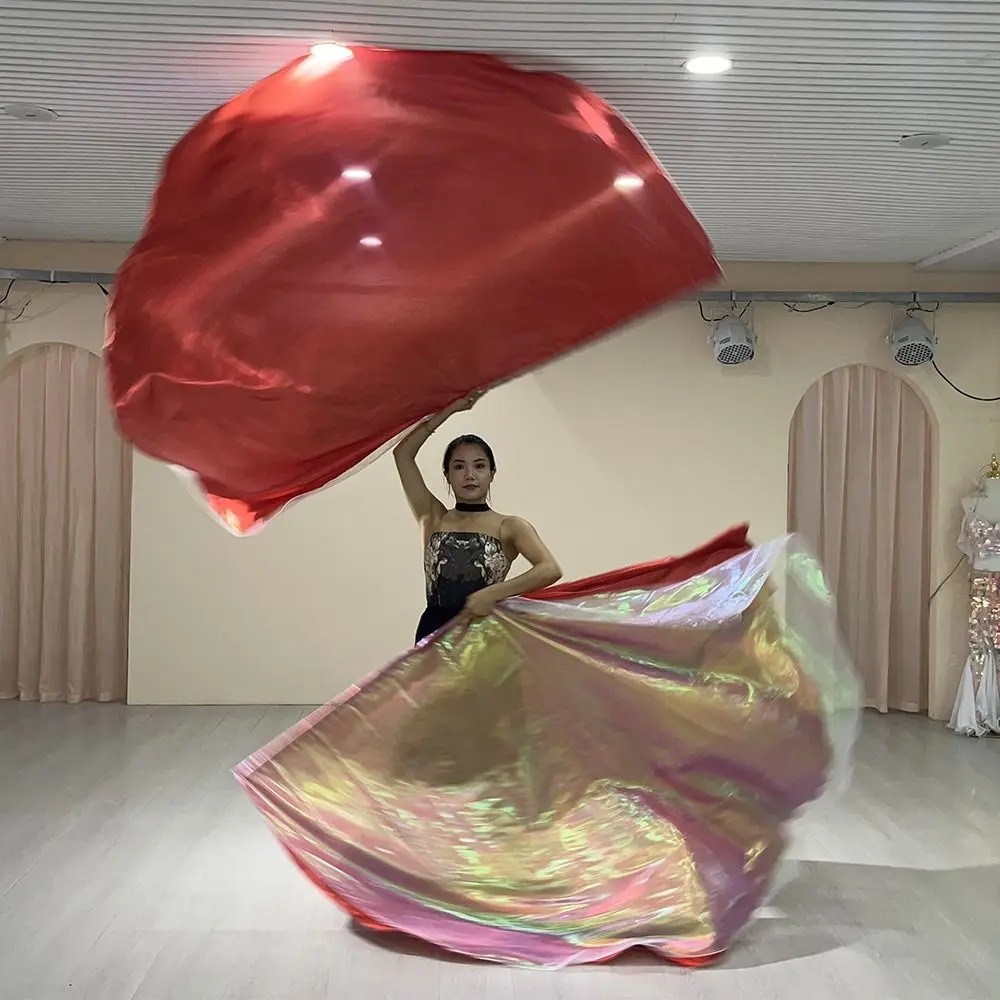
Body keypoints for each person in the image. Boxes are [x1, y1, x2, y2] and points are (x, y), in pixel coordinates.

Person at [393, 391, 562, 643]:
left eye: (479, 466)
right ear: (448, 474)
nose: (469, 475)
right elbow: (402, 454)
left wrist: (493, 593)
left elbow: (549, 569)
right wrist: (448, 410)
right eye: (459, 466)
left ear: (492, 473)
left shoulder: (509, 526)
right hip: (433, 634)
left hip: (485, 640)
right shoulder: (432, 517)